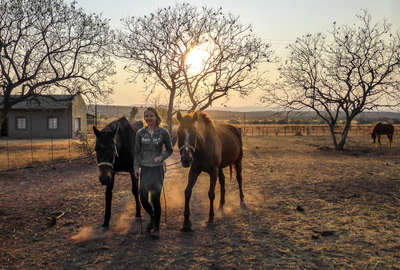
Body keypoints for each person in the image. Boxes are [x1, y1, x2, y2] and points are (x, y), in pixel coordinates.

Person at [134, 107, 173, 238]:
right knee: (143, 199)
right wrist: (135, 168)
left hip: (157, 170)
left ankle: (156, 228)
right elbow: (137, 153)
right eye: (146, 116)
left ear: (156, 117)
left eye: (151, 116)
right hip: (145, 169)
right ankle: (152, 217)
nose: (148, 118)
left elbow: (169, 150)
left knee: (155, 198)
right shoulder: (140, 133)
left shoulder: (163, 132)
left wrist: (161, 157)